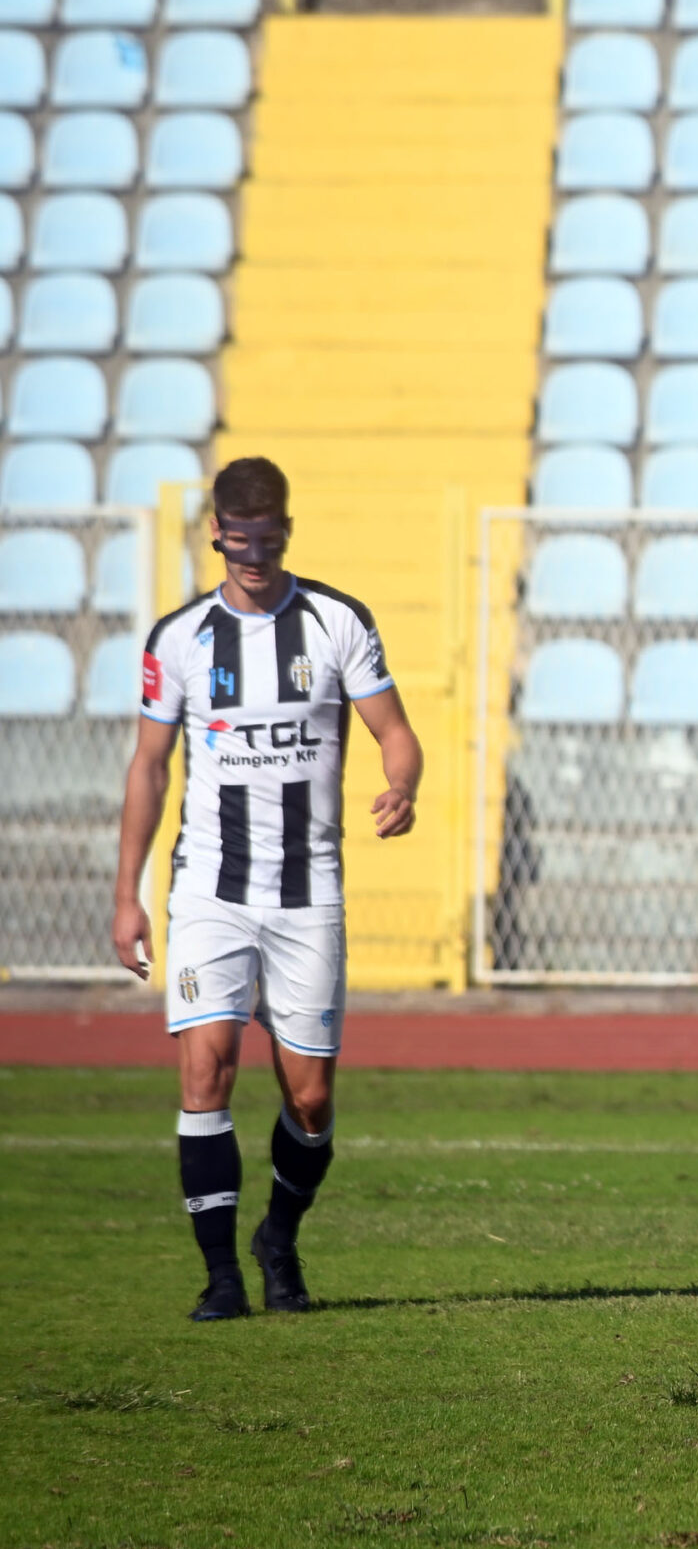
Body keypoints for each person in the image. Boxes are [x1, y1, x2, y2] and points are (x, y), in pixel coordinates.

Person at [110, 457, 421, 1321]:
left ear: (288, 528)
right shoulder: (178, 638)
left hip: (306, 889)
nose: (253, 551)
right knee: (206, 1070)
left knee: (310, 1099)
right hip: (209, 888)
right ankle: (221, 1279)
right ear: (216, 532)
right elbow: (148, 767)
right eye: (237, 536)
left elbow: (396, 733)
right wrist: (126, 894)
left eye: (268, 534)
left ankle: (279, 1239)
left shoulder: (335, 622)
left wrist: (404, 786)